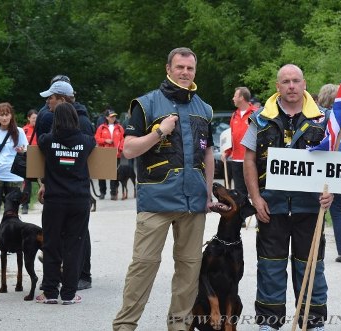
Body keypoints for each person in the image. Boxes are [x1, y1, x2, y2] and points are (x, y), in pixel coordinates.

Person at [112, 47, 214, 331]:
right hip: (156, 200)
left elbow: (208, 155)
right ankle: (124, 326)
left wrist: (208, 194)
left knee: (189, 269)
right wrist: (160, 131)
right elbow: (129, 150)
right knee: (143, 266)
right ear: (168, 69)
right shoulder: (145, 104)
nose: (184, 73)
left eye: (189, 68)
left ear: (195, 71)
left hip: (193, 203)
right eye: (179, 67)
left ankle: (180, 327)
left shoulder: (204, 109)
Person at [242, 64, 333, 331]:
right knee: (270, 267)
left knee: (311, 268)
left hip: (310, 209)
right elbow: (248, 160)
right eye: (285, 81)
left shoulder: (325, 119)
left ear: (305, 84)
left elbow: (339, 161)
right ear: (277, 86)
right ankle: (269, 323)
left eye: (295, 81)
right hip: (271, 206)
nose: (291, 86)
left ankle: (313, 323)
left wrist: (332, 194)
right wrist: (256, 199)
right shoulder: (259, 118)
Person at [36, 77, 94, 291]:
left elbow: (42, 143)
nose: (47, 104)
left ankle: (50, 290)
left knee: (51, 245)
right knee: (74, 245)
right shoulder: (86, 140)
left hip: (55, 199)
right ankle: (69, 292)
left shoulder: (47, 140)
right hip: (78, 199)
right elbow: (91, 143)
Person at [0, 102, 28, 258]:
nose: (4, 117)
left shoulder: (20, 132)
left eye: (7, 114)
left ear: (11, 115)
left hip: (14, 177)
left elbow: (27, 152)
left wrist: (22, 151)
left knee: (12, 215)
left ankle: (12, 245)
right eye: (1, 114)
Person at [318, 84, 341, 263]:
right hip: (339, 166)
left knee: (317, 208)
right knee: (339, 211)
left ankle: (316, 246)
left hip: (321, 166)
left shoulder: (319, 117)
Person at [221, 87, 257, 197]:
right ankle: (242, 214)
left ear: (242, 97)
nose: (233, 98)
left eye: (235, 96)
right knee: (240, 194)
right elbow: (232, 136)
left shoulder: (256, 113)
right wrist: (226, 152)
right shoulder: (234, 115)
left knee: (255, 192)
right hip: (236, 160)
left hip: (251, 160)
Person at [94, 108, 124, 200]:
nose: (113, 118)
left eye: (114, 116)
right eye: (111, 116)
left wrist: (120, 148)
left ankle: (113, 193)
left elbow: (123, 139)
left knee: (114, 174)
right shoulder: (101, 127)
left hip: (115, 153)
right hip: (104, 153)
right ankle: (102, 192)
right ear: (106, 117)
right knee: (102, 174)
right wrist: (105, 140)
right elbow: (96, 138)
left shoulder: (119, 127)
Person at [21, 109, 38, 214]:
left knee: (43, 181)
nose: (35, 120)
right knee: (27, 183)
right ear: (28, 118)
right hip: (27, 158)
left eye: (36, 118)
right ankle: (25, 205)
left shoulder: (40, 128)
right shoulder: (24, 130)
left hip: (39, 158)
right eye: (33, 118)